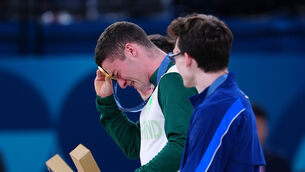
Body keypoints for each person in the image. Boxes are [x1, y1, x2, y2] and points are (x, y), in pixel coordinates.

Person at [167, 13, 266, 171]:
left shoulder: (216, 108)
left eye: (175, 55)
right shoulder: (231, 101)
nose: (174, 63)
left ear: (187, 58)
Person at [94, 21, 197, 171]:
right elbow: (135, 145)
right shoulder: (162, 85)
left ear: (130, 50)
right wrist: (106, 101)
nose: (121, 84)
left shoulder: (174, 78)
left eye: (117, 74)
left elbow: (184, 145)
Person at [252, 104, 291, 172]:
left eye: (263, 127)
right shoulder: (230, 160)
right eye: (256, 127)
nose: (260, 133)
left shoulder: (279, 163)